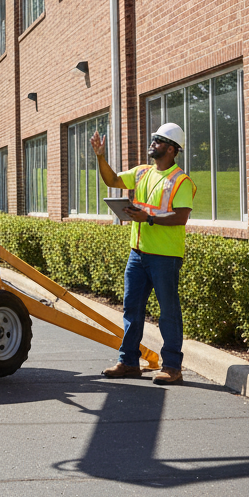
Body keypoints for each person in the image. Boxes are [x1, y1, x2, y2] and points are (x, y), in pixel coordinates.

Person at [90, 123, 194, 385]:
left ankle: (172, 366)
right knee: (131, 308)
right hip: (137, 254)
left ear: (171, 149)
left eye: (158, 141)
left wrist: (148, 218)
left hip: (165, 257)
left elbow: (180, 217)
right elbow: (112, 180)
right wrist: (100, 156)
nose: (152, 144)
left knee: (168, 312)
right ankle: (128, 362)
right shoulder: (141, 172)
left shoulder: (181, 180)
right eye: (153, 139)